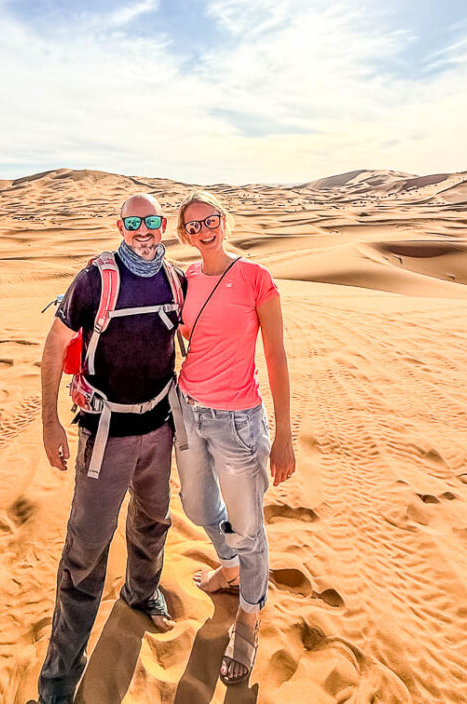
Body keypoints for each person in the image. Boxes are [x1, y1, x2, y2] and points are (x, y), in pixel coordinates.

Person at [32, 193, 187, 704]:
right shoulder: (95, 279)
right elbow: (54, 346)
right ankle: (58, 683)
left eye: (152, 221)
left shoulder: (175, 280)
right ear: (120, 227)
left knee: (153, 521)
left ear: (162, 225)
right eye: (134, 222)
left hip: (160, 428)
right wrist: (50, 423)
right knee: (86, 551)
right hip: (105, 436)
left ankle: (142, 593)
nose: (144, 230)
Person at [174, 190, 296, 687]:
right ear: (184, 235)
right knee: (198, 506)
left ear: (224, 222)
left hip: (238, 422)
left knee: (248, 527)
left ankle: (249, 613)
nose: (204, 231)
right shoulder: (186, 278)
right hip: (188, 410)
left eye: (211, 221)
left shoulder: (254, 277)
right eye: (194, 226)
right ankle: (228, 568)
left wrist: (284, 435)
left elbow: (276, 355)